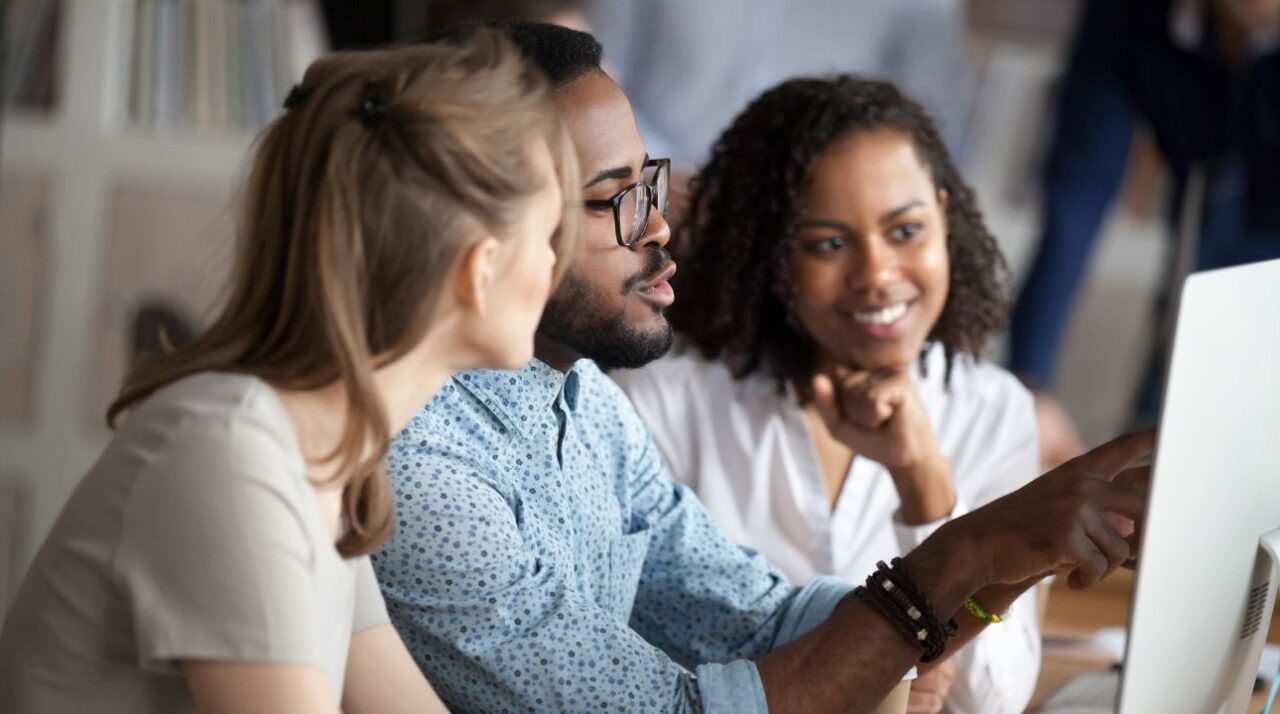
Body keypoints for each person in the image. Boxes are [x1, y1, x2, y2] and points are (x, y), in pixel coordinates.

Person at [376, 22, 1150, 713]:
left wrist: (1018, 551)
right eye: (614, 198)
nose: (658, 226)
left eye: (649, 183)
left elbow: (766, 622)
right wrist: (972, 550)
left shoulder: (583, 401)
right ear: (492, 228)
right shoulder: (425, 470)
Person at [0, 32, 580, 713]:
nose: (555, 265)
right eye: (547, 237)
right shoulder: (231, 453)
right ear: (478, 271)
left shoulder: (329, 457)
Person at [613, 75, 1039, 714]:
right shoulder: (669, 400)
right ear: (774, 259)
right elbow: (620, 656)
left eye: (906, 231)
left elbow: (996, 699)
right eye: (830, 244)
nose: (877, 275)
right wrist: (872, 663)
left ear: (944, 219)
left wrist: (925, 484)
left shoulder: (990, 409)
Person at [1008, 0, 1280, 460]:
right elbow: (1078, 191)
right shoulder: (1132, 15)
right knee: (1155, 456)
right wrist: (1026, 384)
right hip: (1197, 246)